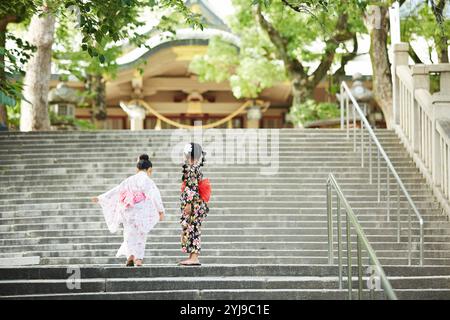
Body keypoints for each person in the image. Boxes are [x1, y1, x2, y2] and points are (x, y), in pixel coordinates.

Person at [91, 154, 165, 267]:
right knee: (141, 235)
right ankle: (138, 259)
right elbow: (155, 196)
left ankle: (130, 256)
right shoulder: (148, 181)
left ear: (137, 169)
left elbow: (117, 190)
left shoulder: (130, 180)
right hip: (142, 211)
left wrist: (101, 197)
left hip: (129, 210)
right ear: (149, 169)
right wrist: (160, 211)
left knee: (129, 234)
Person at [179, 143, 211, 266]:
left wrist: (188, 204)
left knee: (193, 228)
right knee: (193, 228)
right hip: (195, 204)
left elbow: (192, 188)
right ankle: (192, 256)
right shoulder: (194, 168)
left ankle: (194, 257)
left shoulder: (192, 169)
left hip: (193, 204)